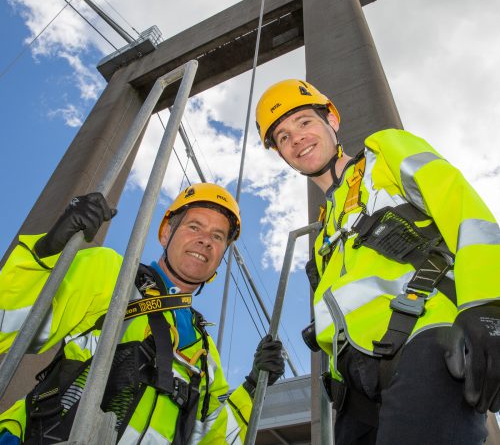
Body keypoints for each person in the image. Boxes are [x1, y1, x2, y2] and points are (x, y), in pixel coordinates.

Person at [255, 79, 500, 444]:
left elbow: (461, 206)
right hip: (356, 397)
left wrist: (487, 303)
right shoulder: (323, 237)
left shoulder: (382, 154)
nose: (297, 139)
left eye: (304, 122)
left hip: (426, 346)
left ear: (331, 120)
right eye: (283, 137)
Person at [0, 183, 285, 444]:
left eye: (218, 236)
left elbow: (213, 438)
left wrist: (253, 385)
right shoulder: (111, 275)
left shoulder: (206, 353)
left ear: (222, 253)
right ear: (165, 233)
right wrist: (44, 254)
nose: (205, 241)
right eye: (194, 227)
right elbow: (9, 325)